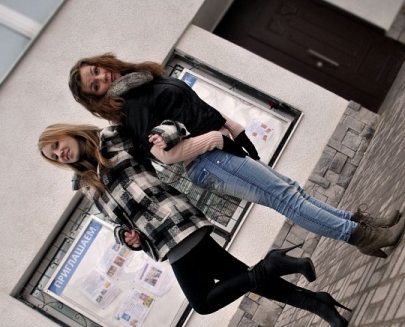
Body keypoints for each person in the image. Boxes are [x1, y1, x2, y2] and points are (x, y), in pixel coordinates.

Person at [68, 53, 404, 259]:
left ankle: (361, 224)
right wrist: (213, 139)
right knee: (286, 199)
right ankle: (362, 237)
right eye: (95, 85)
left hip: (219, 151)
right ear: (97, 99)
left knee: (291, 190)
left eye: (96, 71)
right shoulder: (132, 107)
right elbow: (165, 155)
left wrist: (231, 128)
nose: (102, 77)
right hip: (207, 162)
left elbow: (193, 110)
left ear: (104, 62)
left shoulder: (143, 84)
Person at [38, 123, 353, 327]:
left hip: (175, 220)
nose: (59, 153)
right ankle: (319, 303)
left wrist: (164, 135)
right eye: (54, 156)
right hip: (160, 240)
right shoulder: (86, 185)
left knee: (203, 302)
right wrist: (126, 237)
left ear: (67, 133)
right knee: (243, 278)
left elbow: (170, 129)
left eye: (56, 145)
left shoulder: (112, 138)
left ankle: (275, 266)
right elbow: (118, 221)